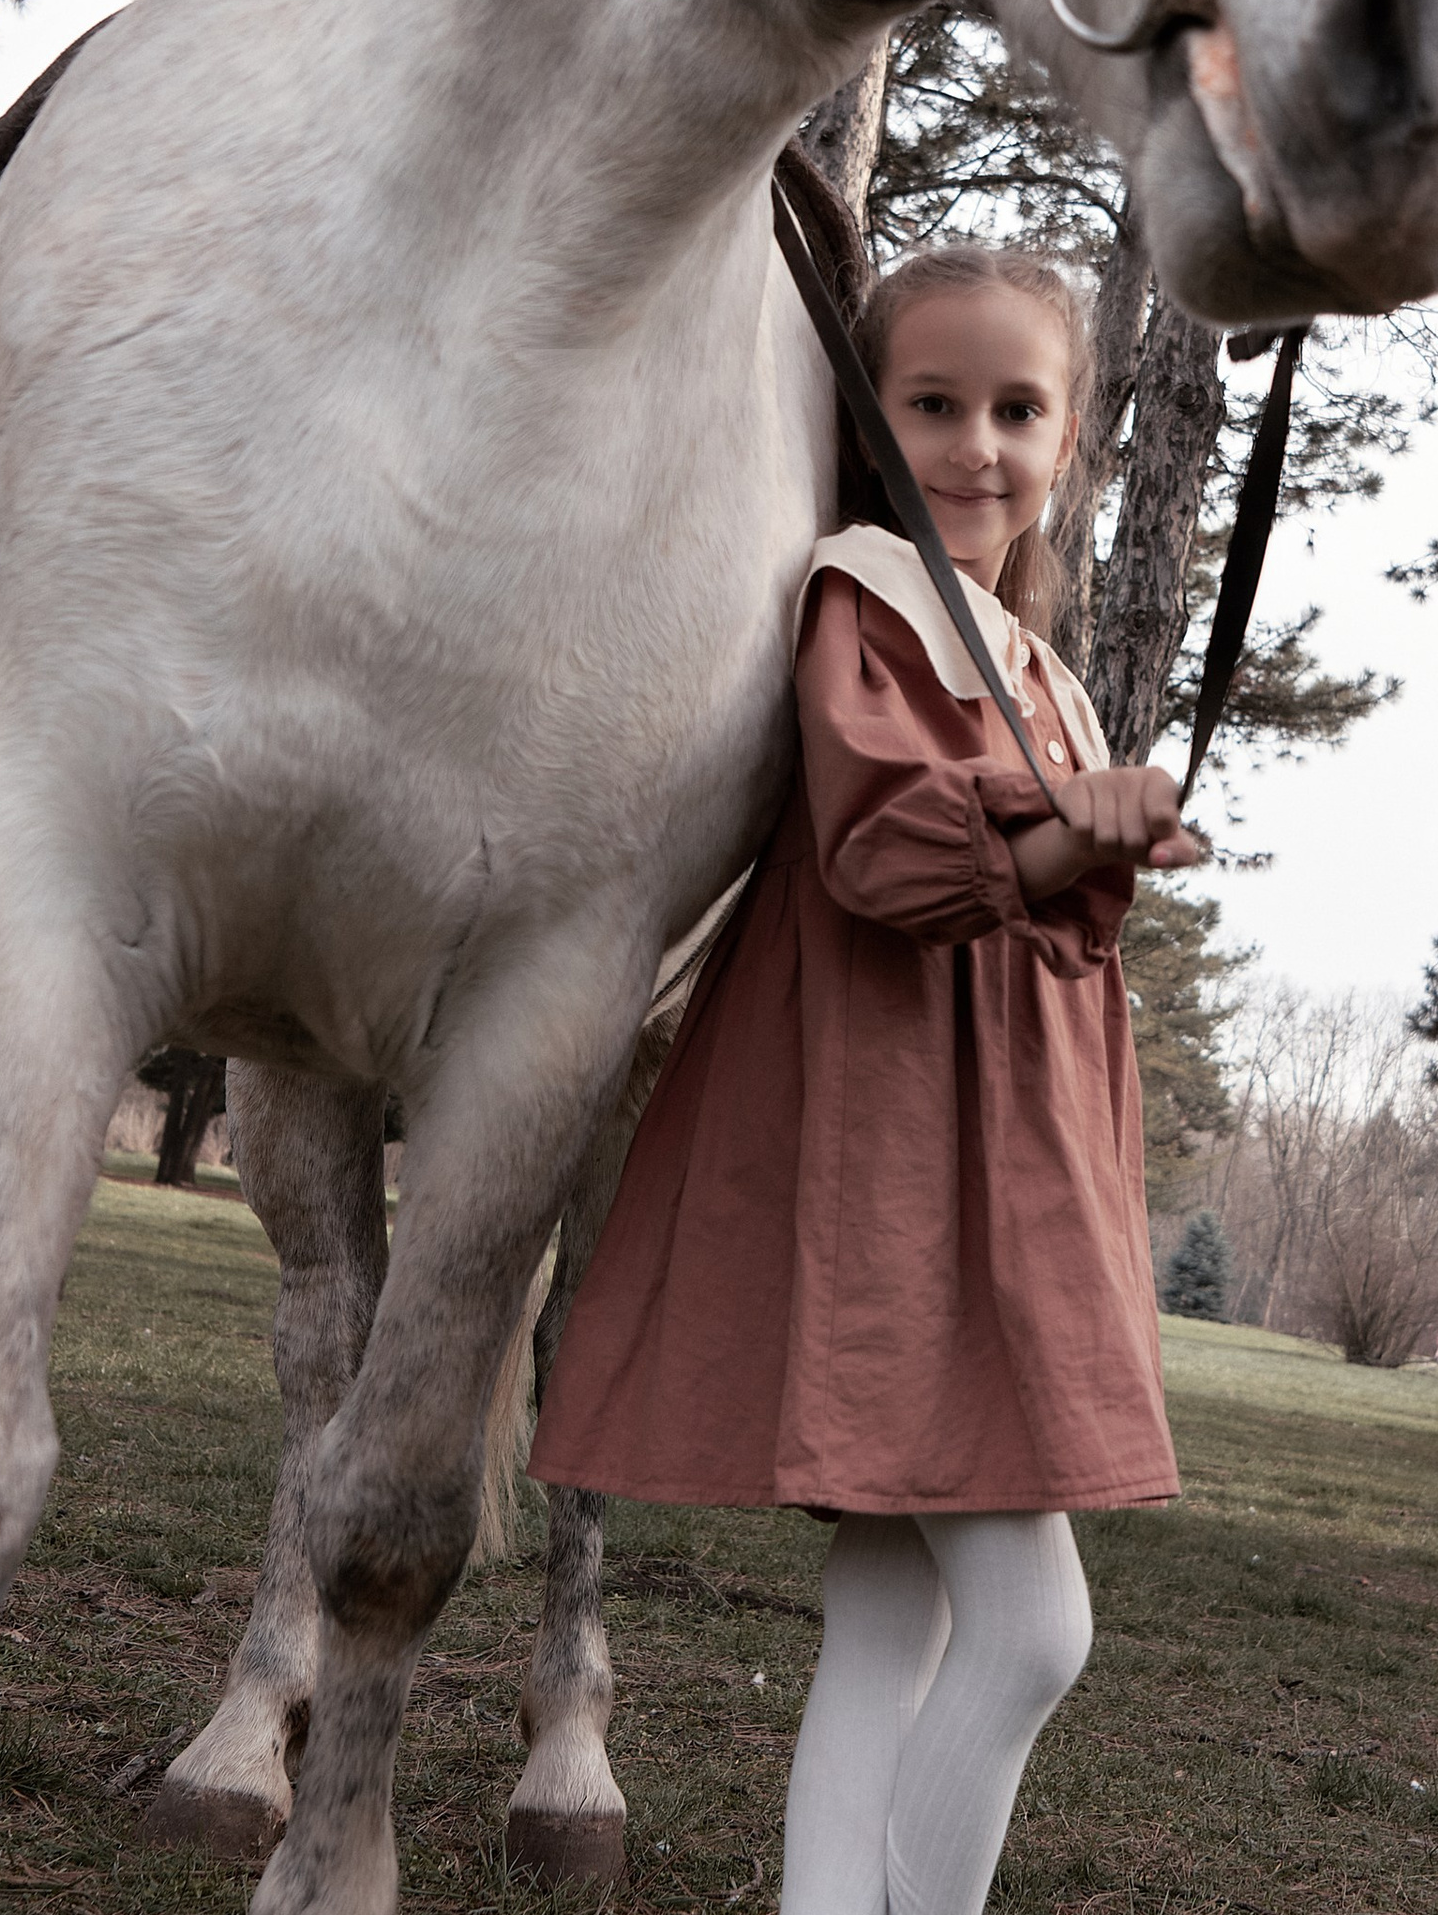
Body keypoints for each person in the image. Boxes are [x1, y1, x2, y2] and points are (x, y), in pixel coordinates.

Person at [530, 243, 1202, 1915]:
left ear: (1072, 436)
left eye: (1017, 408)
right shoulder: (867, 593)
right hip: (902, 1153)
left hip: (1006, 1156)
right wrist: (1064, 831)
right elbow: (886, 858)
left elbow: (1037, 905)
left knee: (895, 1616)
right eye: (933, 405)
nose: (976, 445)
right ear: (871, 422)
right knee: (1039, 1632)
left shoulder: (1028, 659)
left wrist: (1094, 822)